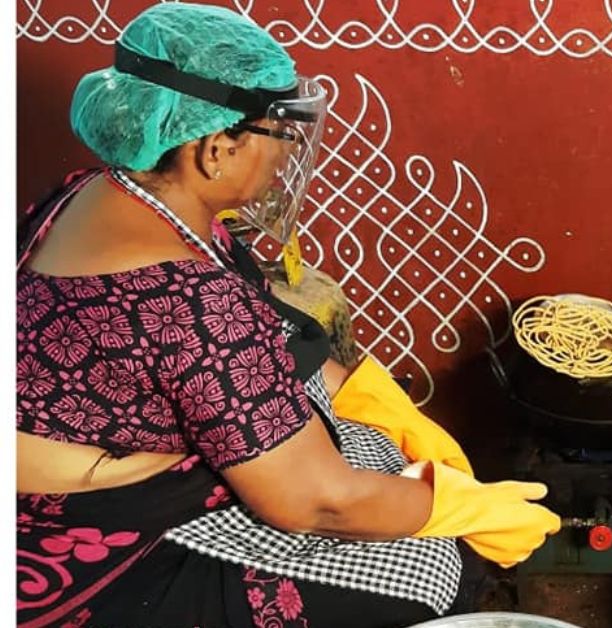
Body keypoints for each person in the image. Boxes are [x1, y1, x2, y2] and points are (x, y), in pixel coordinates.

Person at [15, 4, 560, 626]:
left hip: (125, 456)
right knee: (435, 570)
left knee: (374, 451)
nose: (284, 160)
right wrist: (461, 510)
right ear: (217, 148)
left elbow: (245, 347)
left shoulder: (95, 193)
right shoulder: (193, 305)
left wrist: (367, 394)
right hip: (88, 545)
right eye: (279, 137)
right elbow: (315, 503)